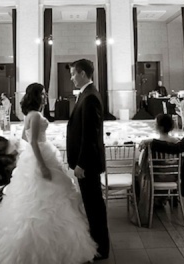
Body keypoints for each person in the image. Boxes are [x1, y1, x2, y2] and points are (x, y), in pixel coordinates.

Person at [0, 83, 96, 263]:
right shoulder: (36, 116)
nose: (46, 97)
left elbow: (25, 137)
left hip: (35, 154)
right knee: (46, 200)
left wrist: (39, 144)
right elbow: (31, 141)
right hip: (40, 156)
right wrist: (42, 165)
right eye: (44, 94)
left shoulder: (30, 115)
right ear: (37, 96)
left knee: (35, 200)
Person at [67, 59, 109, 261]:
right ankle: (97, 243)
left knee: (94, 206)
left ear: (82, 73)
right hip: (87, 162)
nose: (71, 77)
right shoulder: (87, 93)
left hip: (88, 163)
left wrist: (81, 163)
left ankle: (101, 247)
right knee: (92, 205)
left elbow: (90, 135)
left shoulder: (90, 96)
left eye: (73, 73)